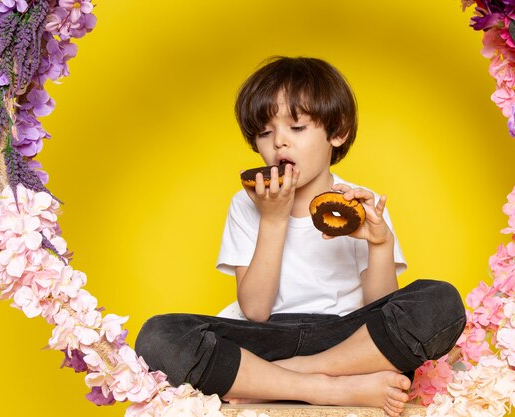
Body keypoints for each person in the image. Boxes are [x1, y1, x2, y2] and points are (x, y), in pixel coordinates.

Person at [135, 57, 466, 417]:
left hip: (346, 338)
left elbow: (383, 308)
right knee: (158, 336)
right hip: (266, 341)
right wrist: (273, 219)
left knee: (441, 301)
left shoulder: (356, 199)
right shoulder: (246, 205)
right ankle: (322, 387)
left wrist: (379, 242)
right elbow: (256, 310)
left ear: (336, 132)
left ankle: (276, 381)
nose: (279, 143)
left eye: (296, 127)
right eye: (265, 133)